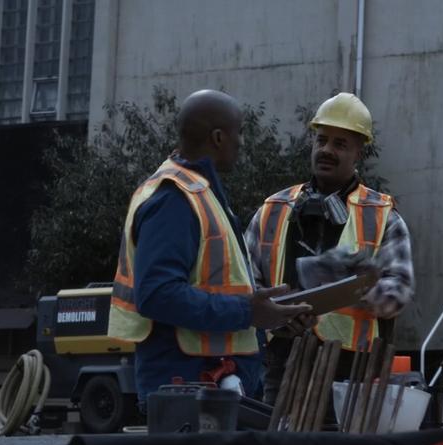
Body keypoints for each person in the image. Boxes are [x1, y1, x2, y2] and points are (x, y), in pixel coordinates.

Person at [107, 89, 313, 407]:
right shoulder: (174, 198)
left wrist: (271, 316)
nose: (242, 142)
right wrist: (248, 311)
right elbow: (157, 294)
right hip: (188, 388)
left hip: (211, 385)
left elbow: (216, 285)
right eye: (239, 132)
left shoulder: (199, 192)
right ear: (218, 137)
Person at [244, 92, 415, 405]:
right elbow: (245, 288)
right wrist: (277, 316)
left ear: (358, 153)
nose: (327, 150)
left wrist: (356, 282)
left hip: (353, 374)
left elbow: (398, 295)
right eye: (321, 140)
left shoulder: (383, 216)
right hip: (284, 366)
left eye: (340, 144)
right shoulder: (273, 210)